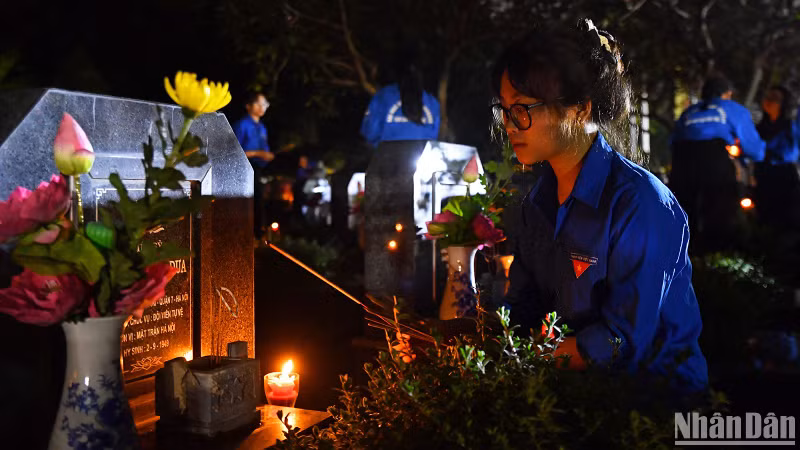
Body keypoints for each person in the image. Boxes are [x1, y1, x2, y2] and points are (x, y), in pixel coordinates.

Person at [496, 20, 707, 392]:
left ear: (579, 109)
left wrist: (530, 357)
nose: (511, 125)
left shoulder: (639, 203)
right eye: (505, 111)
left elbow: (622, 341)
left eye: (522, 110)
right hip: (569, 393)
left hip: (652, 405)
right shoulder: (537, 203)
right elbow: (521, 304)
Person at [670, 75, 765, 253]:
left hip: (683, 161)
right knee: (720, 208)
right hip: (714, 159)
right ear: (727, 94)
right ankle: (719, 255)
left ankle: (687, 254)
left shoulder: (689, 112)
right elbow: (755, 150)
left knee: (686, 211)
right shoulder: (733, 109)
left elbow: (674, 141)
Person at [360, 62, 441, 147]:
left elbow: (370, 133)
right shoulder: (432, 102)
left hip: (387, 157)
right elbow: (434, 135)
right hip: (422, 158)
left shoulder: (382, 97)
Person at [754, 85, 800, 228]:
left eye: (774, 99)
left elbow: (791, 152)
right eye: (767, 97)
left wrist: (767, 153)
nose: (769, 101)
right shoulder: (760, 126)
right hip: (762, 175)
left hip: (782, 176)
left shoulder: (789, 127)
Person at [233, 92, 275, 239]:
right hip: (245, 168)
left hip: (259, 168)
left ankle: (259, 233)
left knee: (260, 199)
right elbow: (234, 152)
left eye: (265, 104)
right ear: (248, 106)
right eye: (260, 104)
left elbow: (264, 149)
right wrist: (257, 153)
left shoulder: (262, 127)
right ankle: (248, 233)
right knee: (248, 201)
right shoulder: (242, 124)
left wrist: (266, 156)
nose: (263, 107)